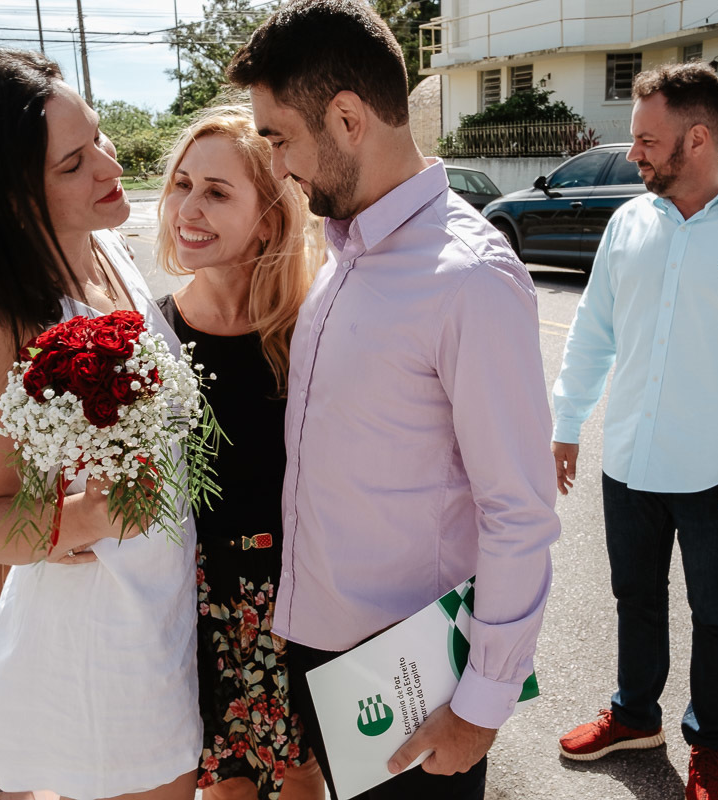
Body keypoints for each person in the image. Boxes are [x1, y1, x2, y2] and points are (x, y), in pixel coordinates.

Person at [227, 2, 561, 797]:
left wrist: (482, 706)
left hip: (410, 680)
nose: (276, 165)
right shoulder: (343, 252)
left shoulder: (467, 277)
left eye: (278, 138)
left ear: (346, 118)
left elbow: (519, 509)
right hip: (327, 654)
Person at [0, 47, 200, 800]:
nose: (109, 166)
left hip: (165, 605)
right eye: (72, 164)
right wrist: (83, 516)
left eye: (98, 138)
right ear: (8, 196)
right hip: (98, 646)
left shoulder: (108, 251)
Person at [550, 62, 718, 800]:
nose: (632, 152)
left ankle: (709, 744)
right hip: (629, 461)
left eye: (646, 139)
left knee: (715, 612)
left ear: (696, 139)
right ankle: (635, 716)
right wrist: (568, 421)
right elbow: (593, 331)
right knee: (633, 595)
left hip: (715, 471)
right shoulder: (630, 221)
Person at [154, 106, 325, 800]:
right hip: (188, 599)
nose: (187, 209)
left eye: (218, 192)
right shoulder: (150, 335)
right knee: (222, 776)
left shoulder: (310, 330)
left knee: (297, 770)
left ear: (270, 218)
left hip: (297, 600)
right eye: (182, 184)